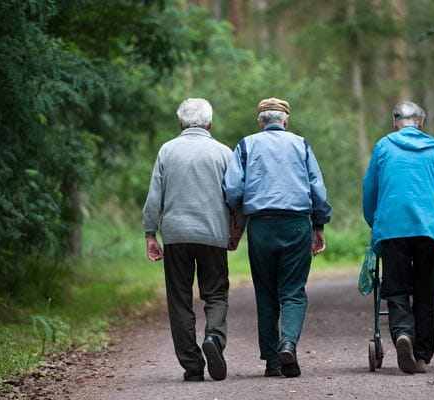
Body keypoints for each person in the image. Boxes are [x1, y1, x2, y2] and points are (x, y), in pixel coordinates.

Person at [223, 97, 331, 378]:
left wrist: (237, 220)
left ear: (260, 122)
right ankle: (288, 344)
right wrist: (318, 225)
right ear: (285, 121)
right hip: (296, 224)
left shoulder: (246, 144)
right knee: (293, 291)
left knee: (267, 292)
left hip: (260, 225)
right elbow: (317, 190)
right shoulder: (301, 144)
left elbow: (233, 188)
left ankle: (272, 361)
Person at [142, 98, 237, 382]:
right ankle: (214, 338)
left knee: (180, 300)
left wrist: (150, 234)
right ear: (210, 123)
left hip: (175, 236)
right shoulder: (223, 153)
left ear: (180, 123)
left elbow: (154, 197)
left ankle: (193, 366)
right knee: (216, 293)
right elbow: (236, 197)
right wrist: (236, 229)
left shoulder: (166, 151)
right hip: (212, 234)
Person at [362, 101, 434, 374]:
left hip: (393, 227)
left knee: (396, 287)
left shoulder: (383, 147)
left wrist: (375, 222)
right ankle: (421, 357)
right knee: (427, 290)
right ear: (421, 123)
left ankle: (403, 332)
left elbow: (370, 189)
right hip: (430, 229)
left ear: (395, 123)